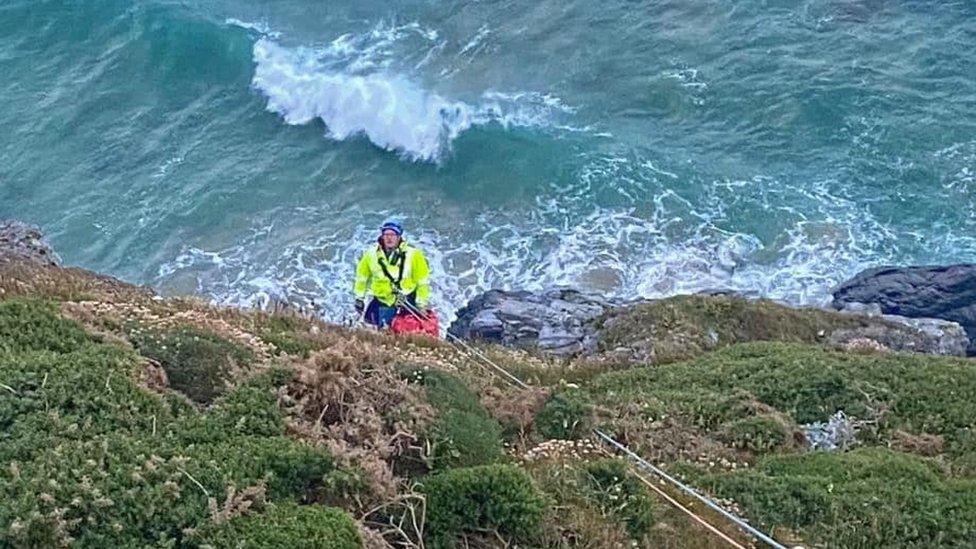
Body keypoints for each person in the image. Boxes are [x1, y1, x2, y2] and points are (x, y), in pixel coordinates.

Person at [353, 220, 431, 328]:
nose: (389, 238)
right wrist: (359, 298)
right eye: (386, 234)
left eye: (393, 235)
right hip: (382, 300)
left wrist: (421, 305)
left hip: (406, 302)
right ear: (382, 236)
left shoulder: (414, 255)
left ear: (399, 237)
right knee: (372, 327)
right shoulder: (370, 255)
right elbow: (362, 277)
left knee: (407, 331)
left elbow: (422, 282)